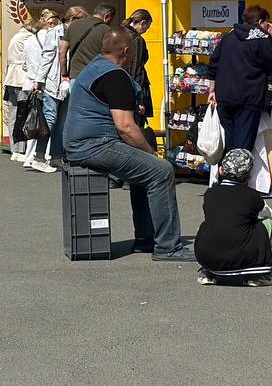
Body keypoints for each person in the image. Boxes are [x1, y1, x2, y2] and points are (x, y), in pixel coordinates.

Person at [64, 27, 195, 262]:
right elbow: (125, 127)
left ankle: (146, 239)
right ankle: (168, 247)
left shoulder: (93, 68)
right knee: (161, 170)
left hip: (80, 142)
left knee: (143, 172)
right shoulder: (115, 76)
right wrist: (152, 153)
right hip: (95, 144)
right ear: (126, 51)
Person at [206, 5, 272, 153]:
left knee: (230, 140)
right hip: (248, 98)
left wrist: (212, 89)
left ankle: (225, 172)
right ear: (261, 21)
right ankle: (235, 175)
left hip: (225, 97)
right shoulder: (261, 39)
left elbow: (213, 63)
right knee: (242, 144)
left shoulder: (229, 36)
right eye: (268, 23)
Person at [194, 148, 272, 286]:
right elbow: (268, 214)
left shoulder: (210, 193)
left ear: (221, 171)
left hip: (207, 256)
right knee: (268, 224)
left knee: (208, 225)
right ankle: (257, 274)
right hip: (242, 253)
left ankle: (209, 273)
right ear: (248, 177)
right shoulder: (251, 195)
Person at [24, 9, 64, 173]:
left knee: (38, 120)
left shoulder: (29, 40)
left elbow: (25, 64)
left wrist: (35, 80)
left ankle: (33, 156)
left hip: (35, 82)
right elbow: (48, 59)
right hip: (48, 82)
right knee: (48, 120)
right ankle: (41, 157)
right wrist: (40, 80)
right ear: (51, 23)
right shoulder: (54, 37)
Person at [4, 20, 36, 162]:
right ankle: (22, 149)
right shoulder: (28, 38)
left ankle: (14, 149)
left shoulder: (15, 36)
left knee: (13, 115)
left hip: (11, 78)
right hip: (21, 79)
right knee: (23, 115)